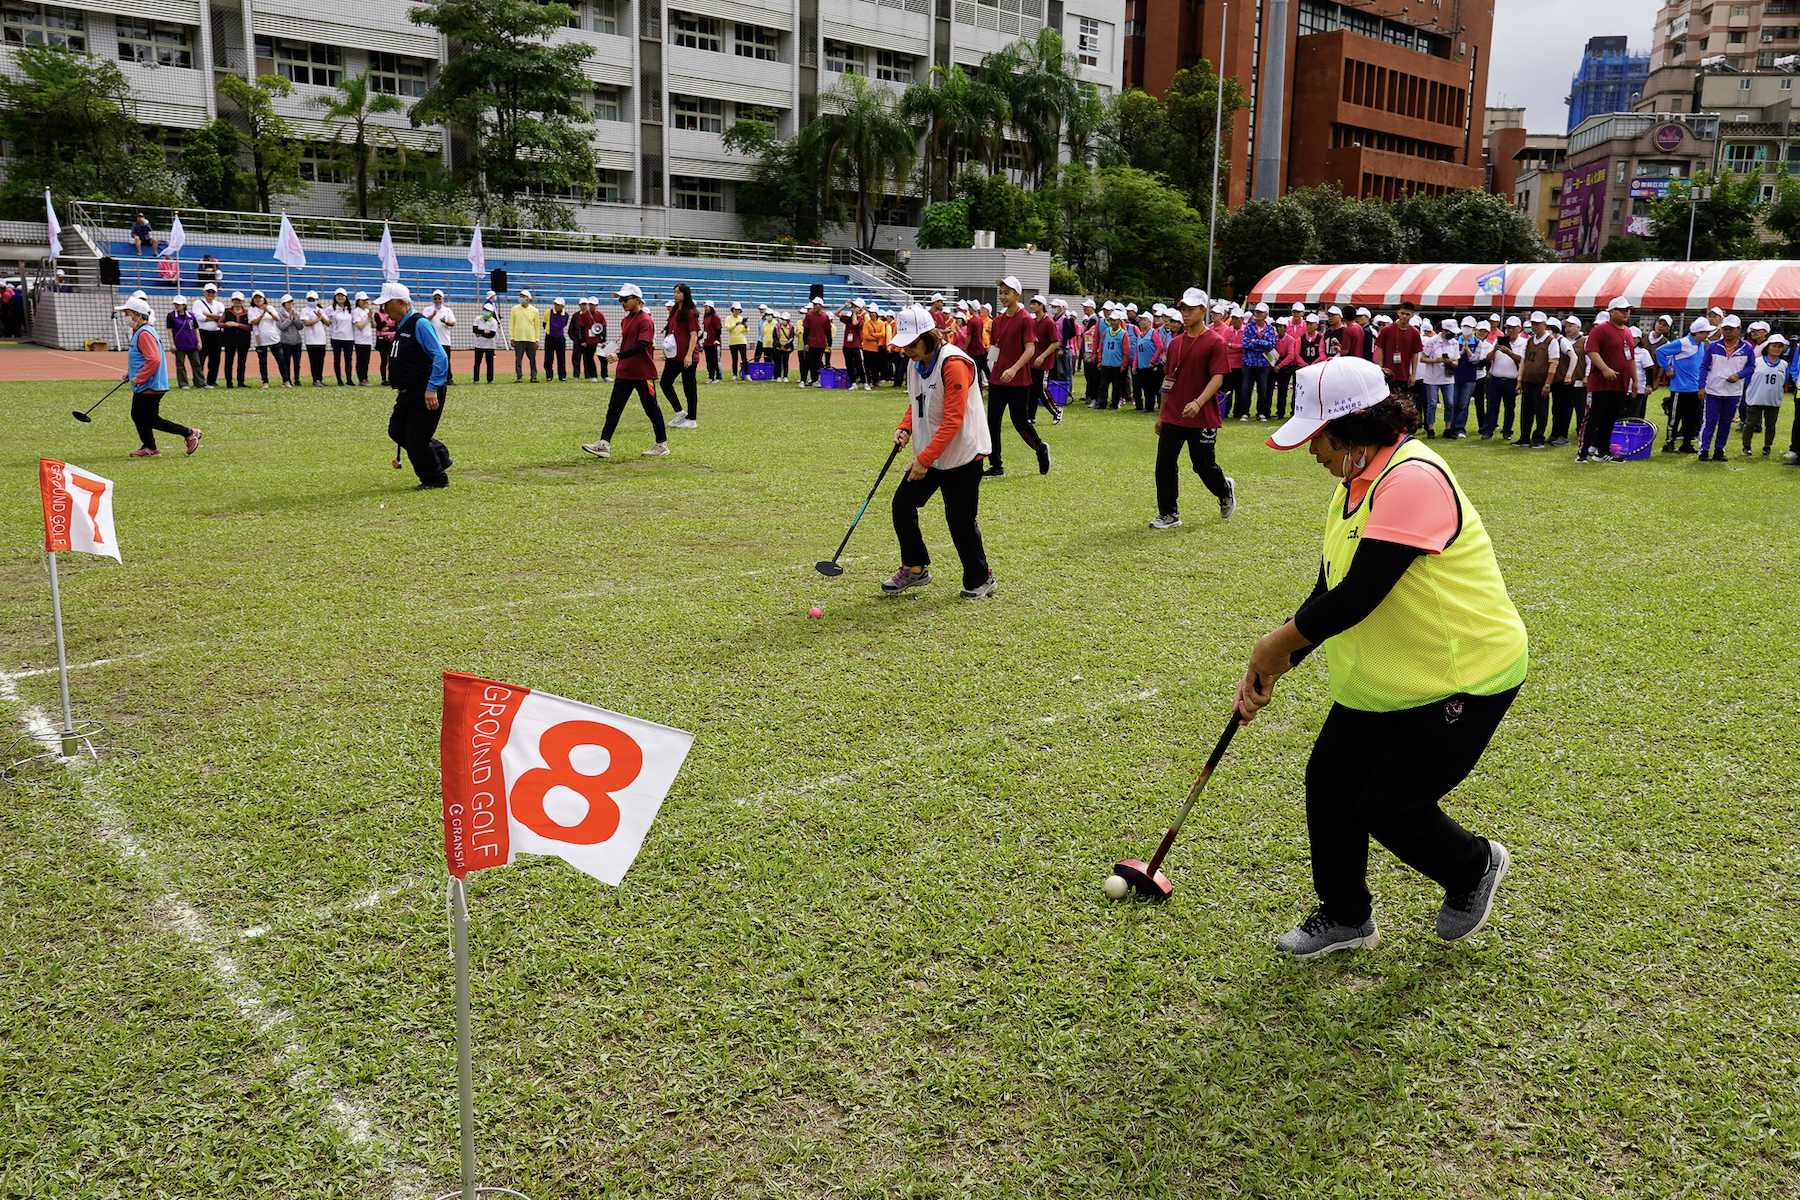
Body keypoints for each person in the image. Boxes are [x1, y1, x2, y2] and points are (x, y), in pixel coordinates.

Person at [1239, 355, 1526, 960]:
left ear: (1350, 430)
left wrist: (1272, 644)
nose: (1311, 453)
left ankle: (1474, 865)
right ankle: (1346, 915)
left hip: (1463, 675)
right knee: (1330, 784)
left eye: (1315, 438)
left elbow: (1361, 595)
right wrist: (1274, 664)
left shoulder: (1412, 478)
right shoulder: (1355, 484)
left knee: (1390, 805)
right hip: (1390, 673)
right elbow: (1329, 589)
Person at [881, 304, 996, 599]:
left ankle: (981, 578)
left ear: (929, 336)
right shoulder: (915, 362)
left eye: (912, 343)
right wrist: (906, 426)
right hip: (931, 454)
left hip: (962, 456)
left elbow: (953, 419)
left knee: (960, 521)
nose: (907, 350)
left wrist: (923, 459)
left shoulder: (953, 363)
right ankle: (915, 568)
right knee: (902, 504)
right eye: (903, 345)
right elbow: (917, 400)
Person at [1150, 287, 1237, 530]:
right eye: (1183, 309)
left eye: (1191, 309)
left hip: (1202, 416)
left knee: (1202, 464)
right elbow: (1168, 381)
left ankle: (1224, 490)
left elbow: (1218, 377)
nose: (1185, 314)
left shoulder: (1215, 342)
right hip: (1174, 415)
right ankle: (1169, 513)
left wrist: (1198, 402)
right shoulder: (1175, 343)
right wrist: (1161, 414)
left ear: (1203, 310)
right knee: (1164, 462)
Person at [582, 283, 670, 459]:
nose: (621, 302)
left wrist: (619, 355)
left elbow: (643, 344)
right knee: (614, 407)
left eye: (625, 299)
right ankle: (604, 444)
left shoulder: (646, 320)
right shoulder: (625, 320)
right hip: (625, 372)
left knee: (651, 408)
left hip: (643, 373)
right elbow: (627, 342)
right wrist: (611, 350)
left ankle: (661, 444)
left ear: (637, 300)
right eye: (620, 299)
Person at [380, 282, 452, 490]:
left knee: (416, 439)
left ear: (400, 303)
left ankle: (435, 478)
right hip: (407, 391)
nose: (384, 310)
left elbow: (440, 357)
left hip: (425, 390)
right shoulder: (402, 325)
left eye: (387, 305)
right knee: (397, 430)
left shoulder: (419, 324)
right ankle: (440, 454)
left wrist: (432, 388)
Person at [114, 296, 200, 458]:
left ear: (138, 314)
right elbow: (142, 358)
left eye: (127, 313)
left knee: (150, 418)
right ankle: (149, 447)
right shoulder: (140, 331)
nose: (125, 317)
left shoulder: (144, 333)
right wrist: (131, 373)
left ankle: (189, 433)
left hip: (150, 384)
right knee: (138, 415)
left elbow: (154, 359)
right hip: (146, 383)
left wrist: (139, 378)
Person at [982, 277, 1051, 478]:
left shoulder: (1025, 319)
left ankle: (1040, 448)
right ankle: (996, 466)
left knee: (1020, 422)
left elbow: (1031, 349)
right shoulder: (998, 320)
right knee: (992, 423)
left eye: (1007, 293)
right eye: (1001, 293)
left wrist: (1013, 369)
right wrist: (991, 368)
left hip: (1018, 380)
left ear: (1016, 295)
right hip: (997, 379)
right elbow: (996, 346)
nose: (1003, 297)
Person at [1580, 297, 1638, 464]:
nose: (1626, 313)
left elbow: (1631, 358)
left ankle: (1602, 450)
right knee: (1595, 417)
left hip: (1620, 383)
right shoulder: (1600, 330)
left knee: (1610, 418)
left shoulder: (1627, 331)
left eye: (1628, 310)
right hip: (1602, 383)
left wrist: (1635, 380)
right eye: (1622, 310)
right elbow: (1591, 351)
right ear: (1611, 312)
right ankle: (1583, 452)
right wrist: (1605, 369)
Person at [1697, 314, 1752, 463]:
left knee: (1726, 423)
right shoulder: (1714, 346)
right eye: (1725, 328)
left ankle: (1719, 450)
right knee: (1709, 421)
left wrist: (1739, 375)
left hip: (1733, 392)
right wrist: (1701, 386)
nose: (1728, 331)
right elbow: (1704, 367)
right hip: (1713, 390)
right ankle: (1704, 450)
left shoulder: (1747, 348)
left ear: (1739, 329)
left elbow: (1751, 367)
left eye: (1731, 329)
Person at [1655, 317, 1708, 454]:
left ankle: (1686, 443)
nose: (1707, 335)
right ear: (1698, 332)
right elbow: (1660, 351)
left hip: (1695, 388)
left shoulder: (1700, 344)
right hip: (1680, 388)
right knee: (1675, 417)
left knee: (1692, 418)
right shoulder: (1682, 343)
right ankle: (1669, 443)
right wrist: (1667, 368)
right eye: (1705, 332)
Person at [1514, 312, 1561, 447]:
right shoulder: (1530, 340)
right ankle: (1524, 436)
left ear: (1545, 325)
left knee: (1541, 411)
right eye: (1533, 324)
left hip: (1541, 382)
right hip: (1528, 380)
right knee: (1526, 410)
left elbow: (1553, 363)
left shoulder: (1551, 341)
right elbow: (1524, 360)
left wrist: (1548, 384)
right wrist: (1520, 380)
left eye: (1537, 324)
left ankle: (1538, 437)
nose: (1534, 327)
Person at [1739, 333, 1786, 457]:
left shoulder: (1784, 365)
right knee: (1750, 424)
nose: (1776, 349)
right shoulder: (1756, 362)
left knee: (1770, 425)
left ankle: (1767, 446)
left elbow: (1784, 381)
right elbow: (1748, 379)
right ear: (1767, 347)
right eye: (1774, 346)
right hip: (1755, 398)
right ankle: (1746, 446)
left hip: (1773, 400)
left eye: (1779, 347)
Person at [661, 284, 702, 427]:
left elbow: (694, 335)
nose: (675, 295)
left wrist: (689, 355)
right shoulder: (673, 311)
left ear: (685, 294)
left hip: (687, 357)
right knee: (665, 383)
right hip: (674, 356)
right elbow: (671, 332)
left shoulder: (689, 312)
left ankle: (692, 419)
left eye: (678, 292)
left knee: (689, 387)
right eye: (674, 292)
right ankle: (679, 412)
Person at [1374, 301, 1424, 407]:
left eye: (1408, 314)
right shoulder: (1387, 330)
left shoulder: (1414, 333)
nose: (1404, 316)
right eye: (1402, 313)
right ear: (1398, 313)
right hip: (1388, 372)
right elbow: (1380, 349)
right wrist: (1380, 368)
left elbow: (1415, 353)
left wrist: (1413, 374)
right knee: (1386, 401)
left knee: (1402, 402)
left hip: (1404, 374)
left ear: (1412, 315)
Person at [1549, 317, 1587, 448]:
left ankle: (1565, 435)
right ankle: (1555, 433)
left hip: (1574, 381)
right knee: (1557, 408)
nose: (1568, 328)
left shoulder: (1571, 341)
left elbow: (1576, 357)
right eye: (1566, 326)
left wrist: (1569, 375)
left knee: (1572, 409)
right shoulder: (1555, 341)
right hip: (1558, 380)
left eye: (1571, 325)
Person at [1483, 316, 1522, 440]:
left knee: (1509, 406)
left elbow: (1522, 359)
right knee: (1492, 405)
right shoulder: (1498, 341)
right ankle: (1488, 429)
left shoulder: (1524, 343)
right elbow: (1489, 358)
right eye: (1508, 328)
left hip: (1511, 379)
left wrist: (1509, 352)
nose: (1510, 330)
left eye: (1513, 328)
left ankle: (1507, 430)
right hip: (1495, 378)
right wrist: (1495, 348)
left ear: (1519, 329)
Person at [1241, 303, 1279, 420]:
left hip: (1263, 364)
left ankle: (1261, 412)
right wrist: (1261, 344)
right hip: (1249, 362)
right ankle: (1244, 412)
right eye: (1256, 311)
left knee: (1263, 389)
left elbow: (1271, 345)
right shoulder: (1249, 327)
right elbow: (1245, 343)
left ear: (1266, 314)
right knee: (1246, 388)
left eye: (1260, 312)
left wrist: (1255, 341)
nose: (1257, 314)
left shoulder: (1270, 329)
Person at [1030, 295, 1064, 423]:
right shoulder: (1032, 322)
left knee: (1040, 389)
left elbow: (1055, 343)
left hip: (1043, 362)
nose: (1032, 306)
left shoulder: (1049, 322)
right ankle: (1030, 416)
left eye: (1035, 304)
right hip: (1032, 361)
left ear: (1041, 306)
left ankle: (1056, 411)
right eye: (1031, 303)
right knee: (1031, 389)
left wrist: (1042, 356)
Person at [165, 296, 202, 390]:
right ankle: (183, 383)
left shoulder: (191, 315)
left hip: (192, 343)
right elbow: (170, 330)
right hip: (179, 344)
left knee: (196, 363)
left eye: (179, 304)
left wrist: (199, 341)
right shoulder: (171, 315)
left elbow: (196, 329)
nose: (176, 306)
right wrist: (172, 344)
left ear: (184, 305)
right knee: (180, 364)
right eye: (175, 304)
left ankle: (200, 382)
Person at [194, 282, 225, 388]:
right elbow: (199, 317)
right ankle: (198, 380)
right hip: (203, 333)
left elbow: (222, 317)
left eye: (213, 292)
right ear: (204, 292)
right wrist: (215, 316)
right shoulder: (197, 303)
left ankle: (212, 380)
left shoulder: (219, 304)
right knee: (200, 358)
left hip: (216, 334)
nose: (211, 294)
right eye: (209, 292)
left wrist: (207, 314)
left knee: (215, 359)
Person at [248, 290, 281, 388]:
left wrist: (269, 311)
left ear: (264, 299)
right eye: (256, 298)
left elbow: (277, 319)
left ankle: (286, 380)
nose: (258, 300)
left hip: (273, 337)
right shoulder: (251, 310)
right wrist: (262, 313)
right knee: (263, 361)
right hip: (260, 339)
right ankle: (265, 381)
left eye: (260, 298)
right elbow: (254, 322)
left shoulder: (270, 307)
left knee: (281, 359)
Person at [219, 291, 252, 388]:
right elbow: (219, 323)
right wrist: (226, 324)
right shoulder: (227, 311)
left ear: (243, 301)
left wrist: (238, 325)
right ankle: (229, 382)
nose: (237, 302)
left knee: (242, 362)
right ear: (232, 301)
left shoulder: (247, 312)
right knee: (228, 362)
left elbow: (250, 327)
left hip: (243, 341)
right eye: (235, 300)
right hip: (229, 340)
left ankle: (241, 382)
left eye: (239, 300)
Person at [510, 290, 541, 382]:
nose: (521, 298)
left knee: (532, 359)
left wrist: (537, 339)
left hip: (530, 338)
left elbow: (537, 326)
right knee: (518, 358)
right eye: (521, 296)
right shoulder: (514, 309)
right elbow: (512, 324)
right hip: (518, 338)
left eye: (523, 296)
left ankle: (533, 376)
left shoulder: (534, 311)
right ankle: (519, 376)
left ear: (528, 299)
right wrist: (512, 337)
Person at [327, 287, 356, 385]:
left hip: (349, 337)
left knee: (348, 359)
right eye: (338, 295)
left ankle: (349, 379)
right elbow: (323, 315)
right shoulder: (331, 309)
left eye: (342, 295)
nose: (340, 297)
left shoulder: (350, 309)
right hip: (336, 337)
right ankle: (339, 380)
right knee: (337, 359)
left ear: (346, 297)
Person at [800, 299, 832, 387]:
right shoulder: (809, 315)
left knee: (817, 362)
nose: (814, 306)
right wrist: (805, 343)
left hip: (821, 344)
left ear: (821, 305)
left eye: (816, 304)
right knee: (807, 362)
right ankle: (803, 380)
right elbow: (806, 330)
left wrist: (829, 344)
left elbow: (828, 331)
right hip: (811, 343)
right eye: (814, 304)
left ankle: (814, 380)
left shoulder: (825, 317)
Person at [300, 290, 329, 386]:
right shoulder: (305, 310)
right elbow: (306, 323)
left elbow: (328, 323)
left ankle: (320, 379)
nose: (311, 301)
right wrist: (318, 319)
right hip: (311, 340)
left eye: (313, 299)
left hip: (321, 339)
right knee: (314, 360)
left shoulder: (321, 310)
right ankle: (315, 379)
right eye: (309, 299)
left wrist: (321, 316)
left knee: (321, 360)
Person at [275, 295, 302, 388]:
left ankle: (297, 379)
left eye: (291, 302)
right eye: (288, 302)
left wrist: (294, 318)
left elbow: (300, 326)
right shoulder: (279, 314)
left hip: (297, 341)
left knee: (297, 362)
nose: (290, 304)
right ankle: (287, 379)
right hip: (285, 342)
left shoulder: (297, 313)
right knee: (286, 362)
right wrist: (289, 319)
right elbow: (281, 327)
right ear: (284, 304)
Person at [423, 289, 456, 359]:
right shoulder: (427, 309)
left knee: (446, 361)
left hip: (444, 340)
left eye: (439, 298)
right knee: (431, 361)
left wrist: (445, 321)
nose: (437, 300)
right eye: (435, 299)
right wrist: (433, 315)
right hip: (432, 340)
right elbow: (424, 322)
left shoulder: (447, 310)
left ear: (442, 299)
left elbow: (453, 323)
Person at [470, 301, 499, 382]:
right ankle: (476, 379)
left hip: (490, 345)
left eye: (487, 310)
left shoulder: (494, 322)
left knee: (489, 363)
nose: (485, 312)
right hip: (478, 344)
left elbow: (492, 334)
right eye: (484, 310)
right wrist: (485, 332)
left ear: (491, 312)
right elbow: (475, 330)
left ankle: (490, 379)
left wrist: (480, 333)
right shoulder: (477, 319)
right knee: (477, 363)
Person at [544, 297, 570, 382]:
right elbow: (544, 323)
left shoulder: (565, 315)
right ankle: (549, 376)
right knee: (548, 358)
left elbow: (564, 324)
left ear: (562, 306)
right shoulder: (549, 312)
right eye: (555, 304)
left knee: (561, 358)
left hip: (560, 338)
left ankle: (562, 376)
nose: (556, 306)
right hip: (550, 338)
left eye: (558, 304)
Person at [352, 292, 376, 385]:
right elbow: (359, 325)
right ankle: (362, 378)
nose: (365, 302)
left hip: (368, 340)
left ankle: (365, 377)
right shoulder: (356, 311)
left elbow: (374, 326)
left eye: (366, 300)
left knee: (366, 361)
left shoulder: (367, 311)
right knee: (361, 360)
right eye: (363, 300)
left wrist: (371, 318)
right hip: (360, 340)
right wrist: (368, 318)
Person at [373, 301, 397, 385]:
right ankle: (383, 379)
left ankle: (391, 378)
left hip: (392, 339)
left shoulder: (395, 313)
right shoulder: (377, 314)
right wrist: (386, 320)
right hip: (382, 340)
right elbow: (379, 327)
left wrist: (388, 329)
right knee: (384, 360)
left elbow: (397, 326)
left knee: (392, 360)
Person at [701, 301, 723, 382]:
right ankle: (711, 376)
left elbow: (718, 330)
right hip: (707, 342)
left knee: (716, 361)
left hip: (714, 343)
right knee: (709, 361)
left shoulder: (716, 317)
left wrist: (716, 339)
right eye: (705, 307)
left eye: (707, 307)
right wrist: (699, 338)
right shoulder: (705, 317)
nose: (705, 309)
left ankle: (718, 377)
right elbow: (705, 330)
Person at [772, 310, 795, 380]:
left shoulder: (791, 327)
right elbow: (775, 337)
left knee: (785, 362)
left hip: (787, 348)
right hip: (778, 347)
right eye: (782, 319)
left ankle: (785, 376)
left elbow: (791, 338)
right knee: (778, 362)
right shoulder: (776, 327)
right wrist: (779, 346)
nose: (783, 321)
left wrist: (785, 346)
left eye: (785, 319)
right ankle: (778, 376)